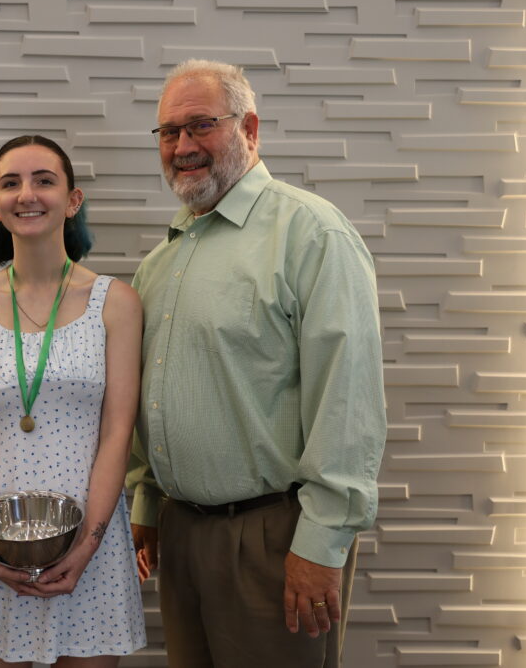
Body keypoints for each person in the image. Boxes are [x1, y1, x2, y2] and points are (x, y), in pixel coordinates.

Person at [127, 59, 386, 668]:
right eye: (169, 132)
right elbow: (152, 394)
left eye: (201, 125)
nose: (183, 146)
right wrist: (148, 505)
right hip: (181, 535)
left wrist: (321, 542)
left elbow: (347, 400)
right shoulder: (160, 263)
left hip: (275, 537)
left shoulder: (311, 234)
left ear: (249, 128)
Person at [0, 135, 147, 667]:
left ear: (73, 200)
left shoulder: (116, 303)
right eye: (11, 183)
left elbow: (117, 431)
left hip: (91, 539)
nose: (27, 194)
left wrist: (88, 543)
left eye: (44, 181)